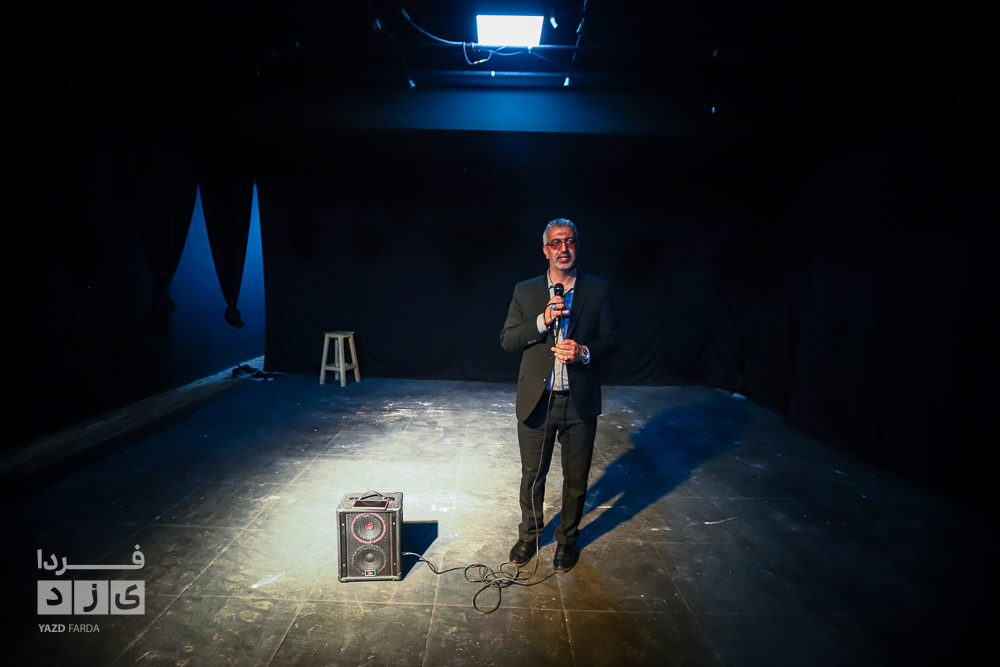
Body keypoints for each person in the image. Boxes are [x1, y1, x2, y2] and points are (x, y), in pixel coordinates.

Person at [500, 218, 620, 572]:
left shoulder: (597, 289)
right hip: (537, 400)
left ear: (576, 247)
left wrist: (584, 352)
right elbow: (507, 340)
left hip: (579, 402)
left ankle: (567, 540)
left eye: (569, 241)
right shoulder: (525, 291)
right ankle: (529, 535)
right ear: (545, 250)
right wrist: (542, 320)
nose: (563, 248)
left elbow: (612, 339)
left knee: (576, 479)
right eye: (556, 242)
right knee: (532, 475)